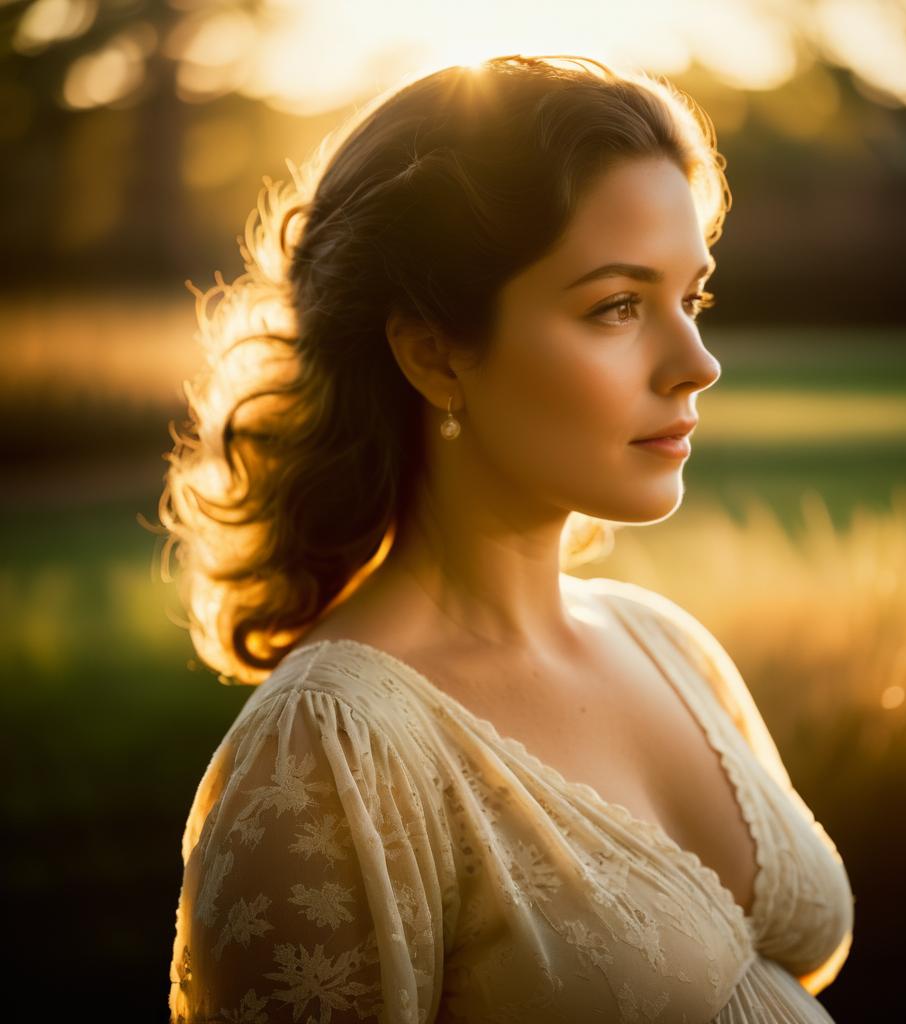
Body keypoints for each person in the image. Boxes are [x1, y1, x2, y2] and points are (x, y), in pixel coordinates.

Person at [163, 54, 854, 1023]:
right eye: (616, 305)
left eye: (689, 299)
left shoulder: (668, 644)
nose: (697, 363)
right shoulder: (334, 748)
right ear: (433, 352)